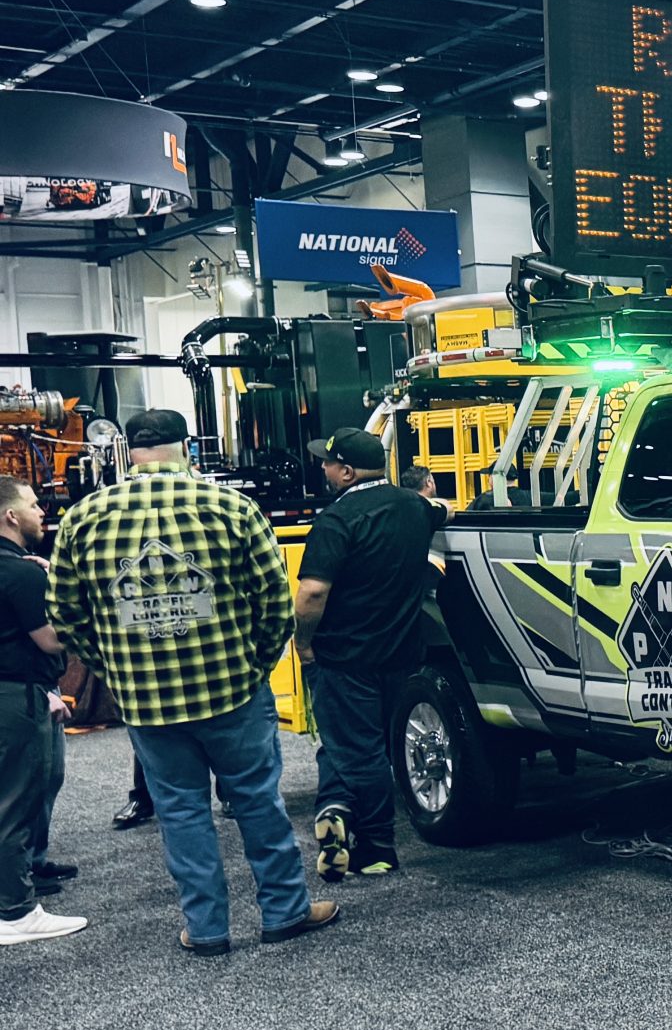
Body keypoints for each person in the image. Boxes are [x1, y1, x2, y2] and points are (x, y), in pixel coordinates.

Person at [49, 409, 338, 955]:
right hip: (232, 688)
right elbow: (275, 603)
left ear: (129, 452)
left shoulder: (82, 519)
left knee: (180, 811)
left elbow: (65, 615)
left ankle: (206, 930)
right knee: (257, 801)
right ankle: (285, 912)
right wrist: (255, 664)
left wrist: (115, 669)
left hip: (147, 700)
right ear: (186, 448)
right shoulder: (232, 508)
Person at [299, 428, 452, 881]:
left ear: (346, 472)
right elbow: (444, 509)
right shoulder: (414, 506)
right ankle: (335, 806)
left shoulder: (336, 520)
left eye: (328, 463)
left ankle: (377, 846)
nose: (323, 469)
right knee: (358, 743)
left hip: (345, 657)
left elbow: (311, 593)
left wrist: (303, 642)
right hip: (401, 653)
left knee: (357, 748)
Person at [0, 476, 82, 946]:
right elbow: (50, 639)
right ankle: (16, 911)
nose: (42, 512)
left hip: (21, 688)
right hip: (17, 696)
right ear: (11, 516)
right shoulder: (22, 573)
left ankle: (26, 873)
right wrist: (82, 610)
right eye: (33, 505)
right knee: (15, 799)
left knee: (30, 788)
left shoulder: (19, 569)